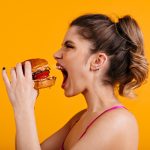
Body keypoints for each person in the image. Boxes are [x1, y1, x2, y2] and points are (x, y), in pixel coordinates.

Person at [2, 13, 149, 150]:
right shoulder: (81, 118)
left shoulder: (119, 122)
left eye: (69, 46)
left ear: (97, 61)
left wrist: (23, 109)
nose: (56, 54)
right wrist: (26, 103)